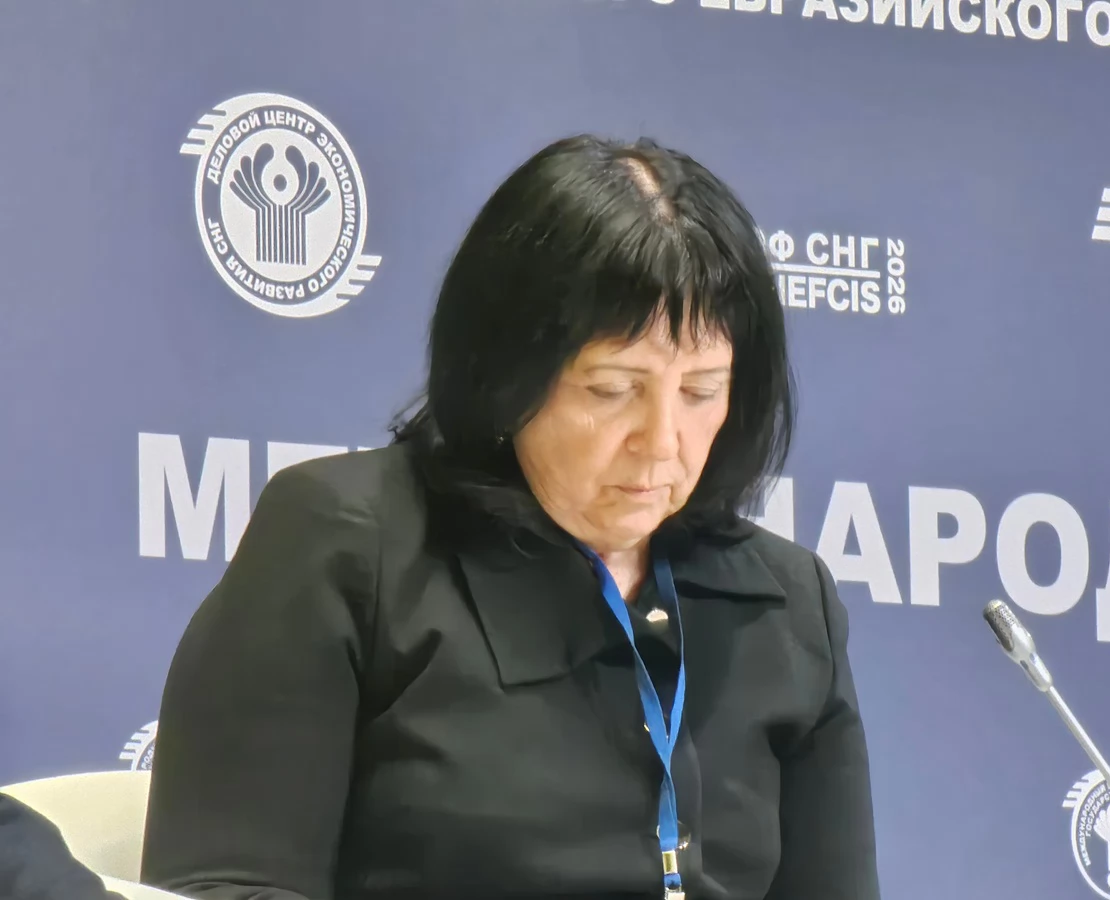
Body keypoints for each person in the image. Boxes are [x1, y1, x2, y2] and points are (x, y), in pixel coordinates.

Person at [140, 134, 880, 900]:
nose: (663, 443)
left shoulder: (788, 603)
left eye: (701, 392)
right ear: (507, 372)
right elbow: (224, 885)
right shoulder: (346, 547)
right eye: (613, 389)